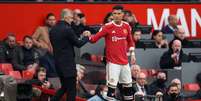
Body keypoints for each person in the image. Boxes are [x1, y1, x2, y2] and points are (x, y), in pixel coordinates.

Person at [86, 5, 136, 101]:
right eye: (114, 14)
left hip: (125, 63)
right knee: (111, 90)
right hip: (113, 63)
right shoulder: (107, 27)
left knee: (128, 89)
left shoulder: (126, 26)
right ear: (112, 15)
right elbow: (93, 39)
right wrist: (88, 36)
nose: (116, 15)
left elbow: (130, 41)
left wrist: (133, 54)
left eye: (119, 13)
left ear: (123, 15)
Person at [49, 8, 89, 101]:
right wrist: (87, 37)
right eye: (71, 18)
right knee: (71, 90)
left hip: (58, 64)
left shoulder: (53, 30)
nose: (72, 20)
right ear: (66, 17)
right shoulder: (67, 29)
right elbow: (78, 44)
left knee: (64, 88)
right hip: (68, 65)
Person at [32, 13, 57, 77]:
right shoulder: (41, 29)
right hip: (43, 53)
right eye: (50, 20)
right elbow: (33, 39)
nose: (52, 21)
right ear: (46, 21)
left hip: (54, 54)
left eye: (53, 20)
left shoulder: (57, 30)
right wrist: (39, 45)